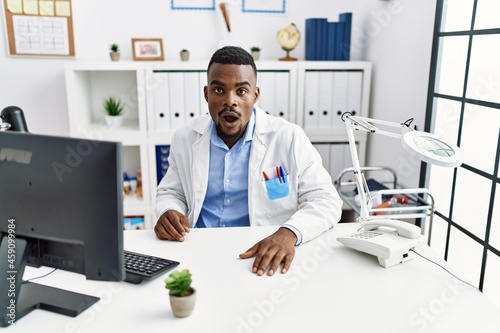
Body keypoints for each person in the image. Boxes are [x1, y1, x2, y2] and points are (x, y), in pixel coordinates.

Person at [155, 46, 342, 276]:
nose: (229, 101)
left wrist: (290, 233)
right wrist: (169, 211)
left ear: (255, 95)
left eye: (241, 91)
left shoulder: (288, 137)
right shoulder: (185, 138)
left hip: (261, 253)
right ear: (206, 94)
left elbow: (326, 200)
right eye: (218, 90)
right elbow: (171, 192)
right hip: (198, 251)